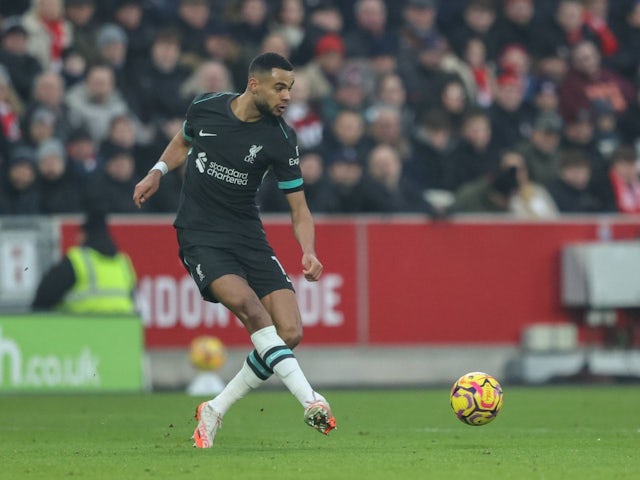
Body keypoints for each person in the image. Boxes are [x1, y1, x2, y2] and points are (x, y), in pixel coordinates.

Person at [132, 52, 337, 448]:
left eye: (290, 89)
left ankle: (215, 409)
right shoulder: (206, 107)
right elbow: (183, 140)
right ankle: (310, 399)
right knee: (252, 310)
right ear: (254, 84)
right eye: (280, 87)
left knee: (289, 332)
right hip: (200, 235)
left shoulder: (280, 138)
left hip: (247, 234)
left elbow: (300, 209)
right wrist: (157, 171)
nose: (287, 97)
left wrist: (308, 251)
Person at [31, 208, 137, 313]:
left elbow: (44, 297)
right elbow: (132, 298)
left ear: (84, 235)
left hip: (86, 326)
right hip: (123, 327)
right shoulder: (122, 262)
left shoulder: (78, 260)